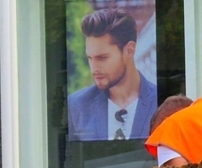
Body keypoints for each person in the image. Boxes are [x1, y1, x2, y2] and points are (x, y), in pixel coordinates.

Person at [67, 8, 158, 142]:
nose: (94, 68)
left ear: (129, 50)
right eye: (90, 58)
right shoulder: (76, 105)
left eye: (102, 57)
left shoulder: (160, 102)